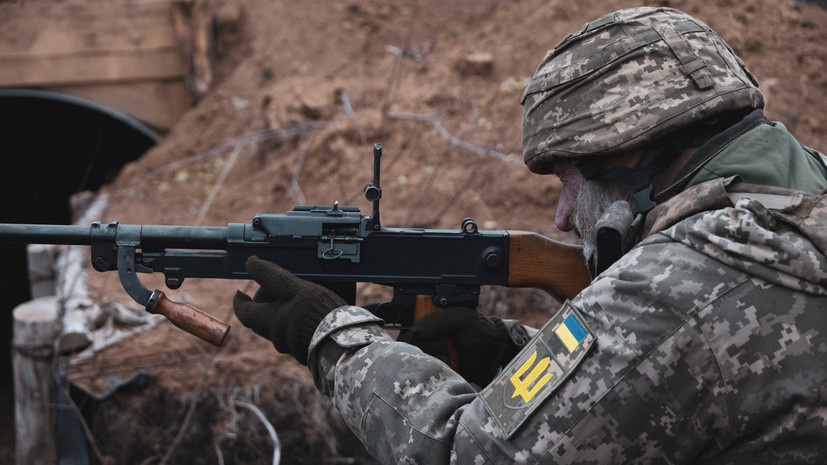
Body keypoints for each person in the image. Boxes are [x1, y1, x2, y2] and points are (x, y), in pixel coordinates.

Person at [232, 7, 827, 463]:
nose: (564, 217)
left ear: (631, 154)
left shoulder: (683, 280)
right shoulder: (801, 209)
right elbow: (658, 381)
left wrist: (332, 337)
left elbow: (469, 454)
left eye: (567, 181)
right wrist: (513, 354)